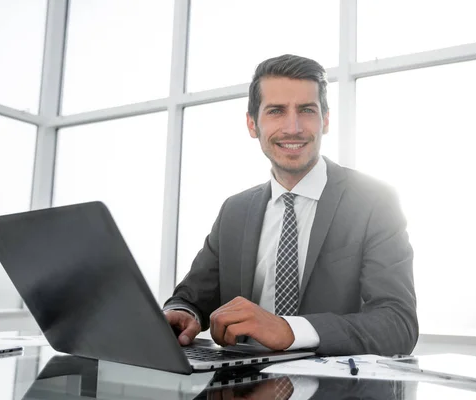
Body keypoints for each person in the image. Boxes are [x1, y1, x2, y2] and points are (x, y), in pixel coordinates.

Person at [163, 54, 418, 356]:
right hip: (239, 387)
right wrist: (183, 314)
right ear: (252, 124)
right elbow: (192, 296)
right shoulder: (235, 211)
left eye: (307, 110)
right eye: (276, 111)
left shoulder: (375, 201)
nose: (293, 127)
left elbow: (398, 324)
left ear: (325, 119)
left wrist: (289, 329)